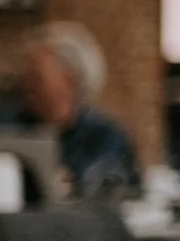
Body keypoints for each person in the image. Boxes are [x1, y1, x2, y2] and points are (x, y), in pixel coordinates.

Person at [20, 24, 137, 198]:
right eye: (26, 76)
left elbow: (97, 193)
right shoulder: (17, 128)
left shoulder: (106, 139)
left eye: (37, 78)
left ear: (70, 79)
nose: (27, 85)